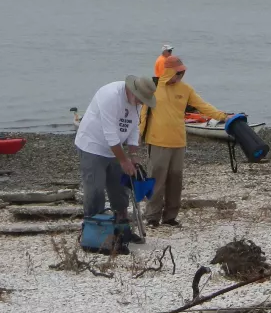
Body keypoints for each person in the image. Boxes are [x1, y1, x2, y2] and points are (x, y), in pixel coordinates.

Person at [139, 55, 231, 227]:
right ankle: (152, 217)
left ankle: (170, 217)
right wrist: (138, 136)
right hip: (157, 142)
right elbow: (143, 113)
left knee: (175, 181)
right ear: (168, 71)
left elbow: (203, 106)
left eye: (182, 72)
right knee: (156, 181)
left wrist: (223, 117)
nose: (181, 76)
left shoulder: (186, 89)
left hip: (178, 143)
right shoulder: (154, 88)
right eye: (178, 73)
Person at [74, 75, 157, 240]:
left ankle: (122, 230)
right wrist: (124, 160)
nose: (141, 103)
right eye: (141, 99)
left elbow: (134, 128)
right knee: (95, 191)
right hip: (92, 146)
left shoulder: (136, 103)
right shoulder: (110, 96)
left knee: (120, 190)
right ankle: (94, 234)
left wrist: (133, 155)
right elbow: (110, 133)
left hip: (115, 149)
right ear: (133, 91)